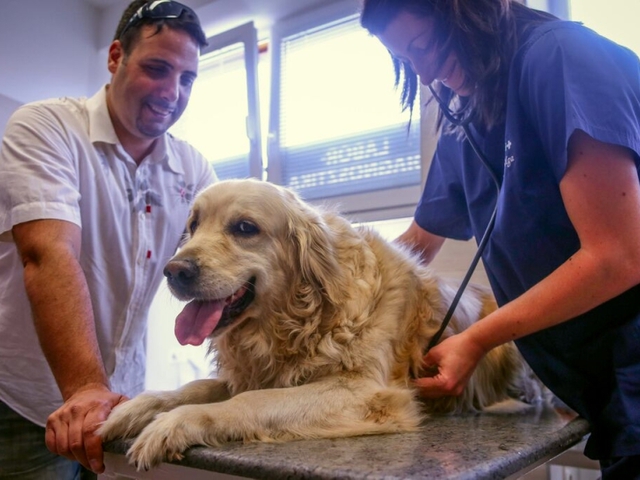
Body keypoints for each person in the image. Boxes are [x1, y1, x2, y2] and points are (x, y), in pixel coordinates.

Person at [360, 0, 640, 478]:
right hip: (597, 382)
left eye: (424, 46)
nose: (425, 74)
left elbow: (617, 256)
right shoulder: (463, 114)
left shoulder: (561, 58)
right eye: (406, 59)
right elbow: (414, 248)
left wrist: (475, 341)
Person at [0, 1, 217, 477]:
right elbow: (48, 252)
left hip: (117, 401)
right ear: (116, 56)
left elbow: (221, 261)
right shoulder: (48, 128)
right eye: (156, 69)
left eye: (186, 79)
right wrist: (83, 389)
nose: (171, 92)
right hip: (23, 404)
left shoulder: (193, 168)